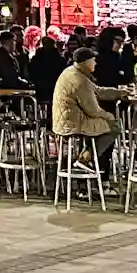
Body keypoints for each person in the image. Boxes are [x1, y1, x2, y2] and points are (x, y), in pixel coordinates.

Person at [50, 49, 117, 178]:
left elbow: (98, 91)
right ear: (86, 62)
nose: (96, 63)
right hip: (73, 122)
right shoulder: (79, 80)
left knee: (103, 125)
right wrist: (109, 116)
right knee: (114, 127)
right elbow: (93, 110)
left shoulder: (71, 72)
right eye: (93, 60)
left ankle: (85, 157)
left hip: (66, 119)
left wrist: (119, 92)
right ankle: (86, 158)